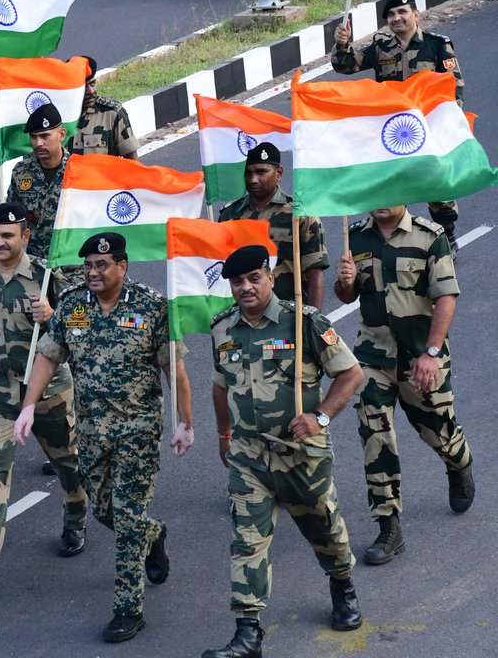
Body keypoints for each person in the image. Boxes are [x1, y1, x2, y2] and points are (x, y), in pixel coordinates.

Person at [15, 232, 194, 644]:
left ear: (122, 266)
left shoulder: (151, 307)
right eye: (88, 266)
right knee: (103, 510)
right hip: (92, 430)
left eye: (101, 265)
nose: (93, 272)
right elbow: (48, 354)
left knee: (128, 516)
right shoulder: (74, 304)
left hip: (139, 431)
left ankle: (128, 609)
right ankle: (153, 534)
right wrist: (28, 405)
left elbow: (176, 371)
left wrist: (186, 422)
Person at [203, 245, 364, 658]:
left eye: (253, 278)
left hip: (300, 455)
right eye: (237, 282)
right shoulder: (222, 328)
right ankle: (247, 632)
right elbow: (221, 385)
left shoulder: (302, 322)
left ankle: (342, 585)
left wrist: (321, 418)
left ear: (270, 276)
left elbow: (351, 373)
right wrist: (224, 435)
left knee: (325, 531)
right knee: (246, 542)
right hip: (248, 456)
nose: (245, 288)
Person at [0, 203, 88, 589]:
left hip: (48, 390)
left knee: (67, 462)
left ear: (25, 236)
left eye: (7, 236)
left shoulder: (47, 276)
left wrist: (53, 315)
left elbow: (82, 331)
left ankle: (76, 516)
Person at [333, 204, 474, 566]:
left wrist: (430, 352)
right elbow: (347, 296)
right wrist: (346, 282)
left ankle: (458, 463)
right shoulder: (357, 237)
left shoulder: (429, 236)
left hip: (420, 354)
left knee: (438, 430)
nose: (382, 200)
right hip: (373, 355)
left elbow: (445, 296)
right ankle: (388, 525)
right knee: (374, 430)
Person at [332, 0, 463, 248]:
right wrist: (342, 43)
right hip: (392, 132)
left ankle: (447, 235)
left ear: (415, 14)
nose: (396, 18)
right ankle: (395, 240)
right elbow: (346, 65)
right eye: (391, 14)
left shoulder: (437, 45)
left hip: (427, 129)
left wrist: (449, 124)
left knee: (437, 188)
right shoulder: (382, 48)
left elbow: (454, 86)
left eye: (402, 12)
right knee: (393, 184)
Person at [217, 141, 327, 309]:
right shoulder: (230, 216)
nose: (253, 180)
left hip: (288, 314)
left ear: (278, 173)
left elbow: (314, 272)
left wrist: (314, 322)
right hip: (243, 314)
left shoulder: (299, 215)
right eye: (248, 173)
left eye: (261, 172)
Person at [5, 103, 78, 284]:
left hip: (73, 268)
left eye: (45, 136)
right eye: (34, 137)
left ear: (61, 135)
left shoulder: (80, 171)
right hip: (33, 267)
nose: (38, 143)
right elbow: (13, 220)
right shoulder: (21, 172)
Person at [69, 56, 140, 159]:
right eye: (83, 87)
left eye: (92, 84)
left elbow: (132, 160)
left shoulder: (112, 113)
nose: (91, 91)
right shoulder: (60, 116)